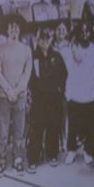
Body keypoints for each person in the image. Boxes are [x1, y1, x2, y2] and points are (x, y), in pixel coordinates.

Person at [0, 17, 32, 175]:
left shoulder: (26, 49)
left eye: (16, 27)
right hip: (4, 97)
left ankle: (18, 160)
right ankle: (0, 162)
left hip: (20, 96)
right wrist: (8, 90)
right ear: (7, 29)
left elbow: (27, 74)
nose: (14, 29)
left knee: (19, 131)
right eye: (11, 27)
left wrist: (17, 91)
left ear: (20, 29)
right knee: (2, 132)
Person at [26, 26, 67, 172]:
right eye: (41, 39)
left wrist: (60, 89)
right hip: (38, 100)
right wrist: (33, 91)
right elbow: (29, 78)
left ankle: (52, 154)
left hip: (54, 99)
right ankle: (33, 158)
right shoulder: (32, 57)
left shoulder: (57, 56)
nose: (44, 42)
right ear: (37, 40)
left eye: (47, 39)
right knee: (36, 129)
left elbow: (64, 75)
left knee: (53, 127)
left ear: (50, 40)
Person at [65, 23, 94, 165]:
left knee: (90, 127)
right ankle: (72, 150)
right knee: (73, 126)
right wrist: (68, 94)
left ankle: (88, 151)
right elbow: (68, 73)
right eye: (81, 32)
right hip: (74, 96)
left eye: (87, 32)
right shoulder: (71, 50)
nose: (85, 35)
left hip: (91, 96)